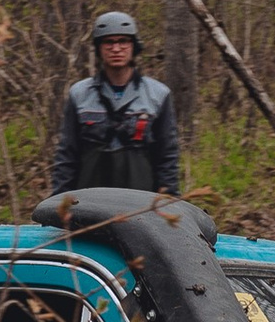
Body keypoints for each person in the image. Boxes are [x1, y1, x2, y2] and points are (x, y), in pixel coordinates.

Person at [47, 10, 180, 199]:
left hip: (140, 203)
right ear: (99, 48)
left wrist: (170, 202)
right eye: (108, 42)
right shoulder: (79, 94)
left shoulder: (158, 94)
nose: (116, 48)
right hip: (89, 201)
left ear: (134, 46)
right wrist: (58, 203)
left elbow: (167, 157)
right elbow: (67, 155)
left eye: (123, 41)